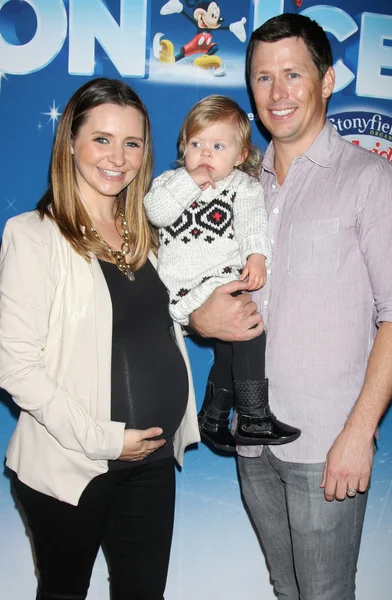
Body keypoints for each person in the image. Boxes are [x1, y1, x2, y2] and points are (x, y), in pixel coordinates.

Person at [190, 13, 392, 600]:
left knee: (326, 595)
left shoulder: (370, 180)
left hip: (327, 442)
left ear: (327, 81)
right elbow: (202, 282)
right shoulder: (239, 186)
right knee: (286, 589)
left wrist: (360, 433)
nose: (277, 94)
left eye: (292, 75)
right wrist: (198, 318)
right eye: (262, 78)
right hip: (251, 438)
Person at [0, 77, 200, 600]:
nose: (118, 157)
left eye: (132, 143)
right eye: (102, 139)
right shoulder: (32, 236)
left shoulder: (152, 236)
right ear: (70, 141)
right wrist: (107, 440)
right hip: (72, 463)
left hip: (153, 460)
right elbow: (15, 366)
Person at [144, 95, 300, 453]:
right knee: (251, 336)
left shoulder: (243, 188)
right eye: (196, 144)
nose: (206, 154)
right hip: (182, 287)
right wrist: (191, 181)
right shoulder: (171, 182)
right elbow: (157, 212)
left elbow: (252, 227)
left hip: (224, 282)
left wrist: (257, 257)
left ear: (241, 155)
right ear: (184, 147)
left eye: (218, 146)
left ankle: (212, 419)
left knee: (230, 351)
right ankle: (253, 417)